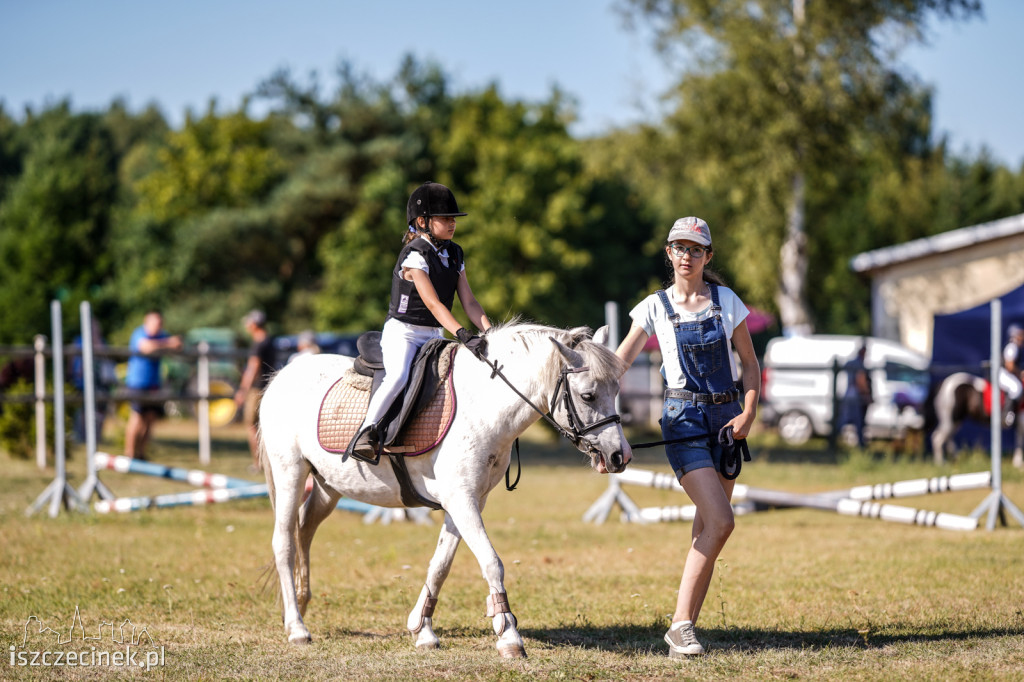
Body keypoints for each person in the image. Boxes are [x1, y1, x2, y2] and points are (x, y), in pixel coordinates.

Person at [615, 216, 759, 658]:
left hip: (728, 419)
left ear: (707, 256)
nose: (686, 256)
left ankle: (683, 629)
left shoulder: (727, 301)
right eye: (679, 248)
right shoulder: (652, 308)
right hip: (682, 420)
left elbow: (750, 365)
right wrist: (593, 420)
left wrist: (749, 411)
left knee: (706, 527)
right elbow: (615, 367)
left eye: (696, 249)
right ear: (669, 253)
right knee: (721, 522)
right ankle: (680, 625)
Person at [351, 181, 491, 461]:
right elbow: (432, 302)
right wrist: (463, 333)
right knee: (399, 377)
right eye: (445, 218)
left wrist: (489, 332)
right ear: (422, 221)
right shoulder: (415, 253)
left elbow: (470, 302)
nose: (452, 224)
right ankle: (365, 433)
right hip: (403, 332)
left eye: (454, 219)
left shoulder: (455, 253)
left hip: (434, 333)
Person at [124, 310, 183, 459]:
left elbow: (178, 345)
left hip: (154, 384)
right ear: (146, 322)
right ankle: (129, 455)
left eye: (160, 323)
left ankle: (141, 454)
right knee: (137, 419)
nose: (158, 326)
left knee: (150, 420)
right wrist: (167, 344)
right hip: (137, 383)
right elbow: (146, 347)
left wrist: (166, 344)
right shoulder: (138, 333)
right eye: (155, 323)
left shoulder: (162, 335)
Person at [235, 309, 276, 472]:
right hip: (269, 387)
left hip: (257, 389)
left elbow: (253, 368)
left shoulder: (258, 343)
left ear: (253, 325)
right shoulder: (270, 341)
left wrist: (242, 390)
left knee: (251, 425)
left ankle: (258, 463)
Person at [840, 341, 872, 448]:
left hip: (847, 394)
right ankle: (861, 445)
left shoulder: (850, 362)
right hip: (856, 396)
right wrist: (867, 395)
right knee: (858, 422)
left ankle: (833, 441)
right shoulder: (859, 364)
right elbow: (861, 380)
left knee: (843, 420)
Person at [1002, 323, 1024, 428]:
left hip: (1005, 372)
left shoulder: (1016, 348)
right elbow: (1009, 365)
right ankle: (1008, 414)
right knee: (1016, 388)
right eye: (1020, 335)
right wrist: (1020, 373)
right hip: (1002, 373)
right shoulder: (1012, 347)